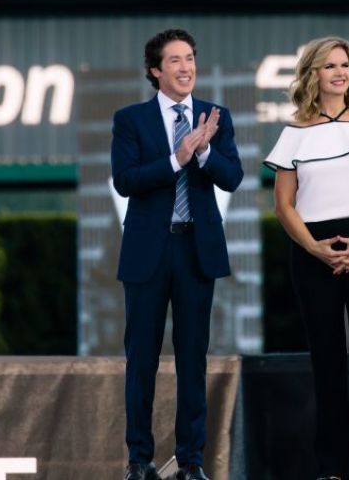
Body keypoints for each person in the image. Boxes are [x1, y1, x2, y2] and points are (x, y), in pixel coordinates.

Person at [264, 37, 349, 480]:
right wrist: (313, 247)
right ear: (313, 75)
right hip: (311, 250)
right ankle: (331, 469)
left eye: (345, 65)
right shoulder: (293, 134)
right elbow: (284, 205)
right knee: (326, 359)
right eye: (330, 66)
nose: (340, 72)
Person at [112, 28, 243, 480]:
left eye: (190, 58)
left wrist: (204, 154)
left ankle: (191, 462)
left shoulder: (215, 115)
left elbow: (234, 177)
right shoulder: (131, 119)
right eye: (175, 60)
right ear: (155, 70)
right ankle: (138, 460)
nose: (186, 67)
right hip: (149, 250)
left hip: (195, 250)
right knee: (141, 359)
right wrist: (177, 157)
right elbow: (125, 181)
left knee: (193, 357)